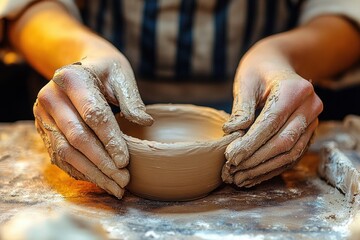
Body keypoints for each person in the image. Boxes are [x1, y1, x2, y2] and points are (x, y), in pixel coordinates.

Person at [1, 0, 359, 199]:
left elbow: (342, 13)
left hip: (262, 112)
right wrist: (79, 53)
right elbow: (26, 7)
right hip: (96, 104)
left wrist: (282, 57)